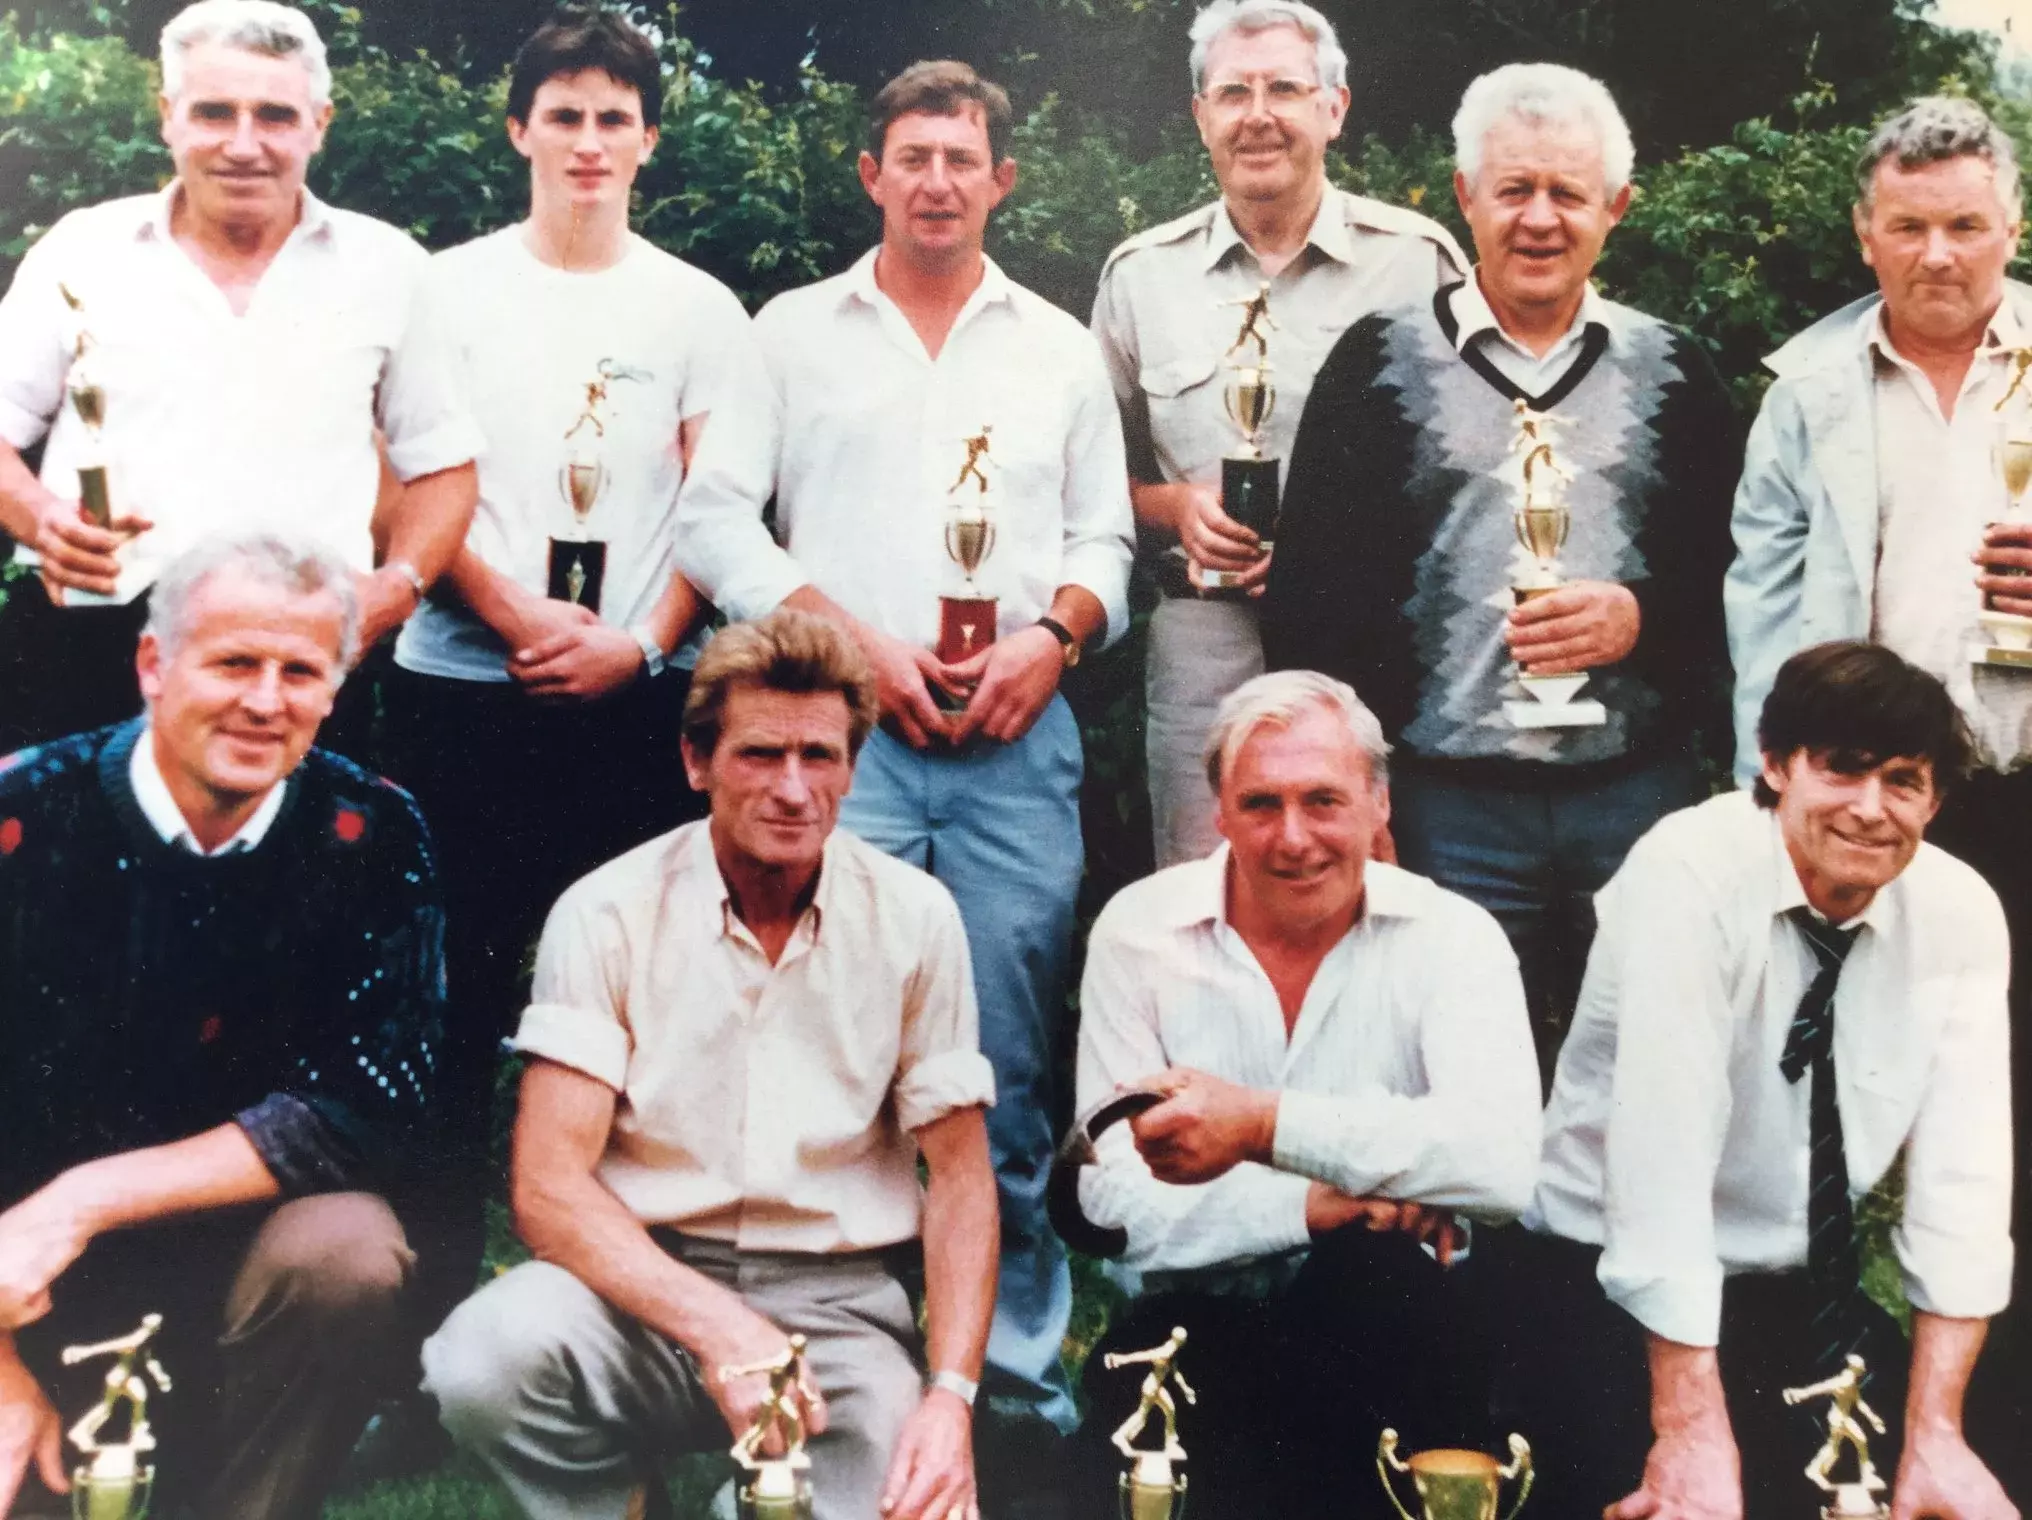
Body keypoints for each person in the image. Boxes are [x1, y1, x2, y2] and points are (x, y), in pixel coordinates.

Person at [672, 58, 1135, 1504]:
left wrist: (1052, 644)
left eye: (965, 157)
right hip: (835, 748)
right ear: (871, 175)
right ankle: (813, 1338)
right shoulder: (791, 334)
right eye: (913, 155)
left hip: (1010, 746)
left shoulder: (1057, 347)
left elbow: (1108, 546)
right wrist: (844, 642)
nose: (939, 178)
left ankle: (1016, 1370)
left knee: (994, 1061)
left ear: (1004, 181)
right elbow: (711, 519)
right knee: (812, 1043)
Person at [422, 609, 999, 1520]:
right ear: (697, 764)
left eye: (820, 757)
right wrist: (718, 1326)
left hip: (837, 1306)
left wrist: (951, 1399)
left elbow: (962, 1181)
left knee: (901, 1506)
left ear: (854, 767)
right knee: (483, 1358)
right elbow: (547, 1187)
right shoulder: (605, 911)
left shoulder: (917, 918)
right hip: (637, 1288)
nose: (793, 789)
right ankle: (614, 1501)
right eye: (760, 755)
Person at [1260, 63, 1737, 1082]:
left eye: (1567, 192)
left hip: (1632, 792)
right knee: (1459, 1073)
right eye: (1512, 188)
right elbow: (1309, 602)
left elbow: (1740, 577)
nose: (1538, 218)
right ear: (1464, 196)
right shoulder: (1376, 364)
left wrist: (1641, 616)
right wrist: (1363, 791)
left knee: (1645, 1061)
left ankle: (1624, 1247)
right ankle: (1474, 1250)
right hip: (1446, 798)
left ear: (1616, 207)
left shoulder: (1675, 369)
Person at [382, 9, 735, 1334]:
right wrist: (511, 610)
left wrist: (636, 644)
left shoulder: (695, 306)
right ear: (519, 125)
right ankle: (412, 1336)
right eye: (565, 115)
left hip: (638, 704)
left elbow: (720, 498)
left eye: (614, 118)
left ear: (649, 137)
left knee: (638, 1007)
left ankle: (637, 1317)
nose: (589, 142)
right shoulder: (441, 289)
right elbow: (402, 472)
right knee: (449, 1005)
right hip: (461, 690)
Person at [1508, 642, 2015, 1520]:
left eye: (1903, 780)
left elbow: (1963, 1194)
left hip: (1793, 1290)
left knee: (1933, 1490)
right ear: (1776, 765)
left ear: (1935, 799)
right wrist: (1689, 1432)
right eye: (1842, 770)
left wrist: (1939, 1431)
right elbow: (1659, 1172)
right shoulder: (1689, 873)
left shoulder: (1961, 911)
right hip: (1603, 1277)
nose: (1870, 809)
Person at [0, 530, 447, 1520]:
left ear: (336, 689)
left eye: (300, 670)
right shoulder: (22, 812)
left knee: (351, 1250)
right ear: (154, 665)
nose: (264, 699)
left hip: (245, 1269)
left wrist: (84, 1198)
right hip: (15, 1268)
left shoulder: (371, 832)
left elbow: (371, 1105)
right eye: (234, 660)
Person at [1725, 98, 2032, 1490]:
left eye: (1966, 223)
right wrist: (1771, 792)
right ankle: (1824, 1402)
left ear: (2010, 225)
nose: (1939, 253)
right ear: (1865, 231)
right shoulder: (1809, 388)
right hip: (1866, 810)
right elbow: (1760, 604)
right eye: (1908, 226)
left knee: (2012, 1119)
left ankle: (1991, 1429)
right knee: (1827, 1116)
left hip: (2023, 782)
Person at [1068, 670, 1540, 1519]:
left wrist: (1257, 1128)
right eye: (1261, 804)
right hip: (1194, 1321)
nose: (1293, 838)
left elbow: (1501, 1165)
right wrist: (1326, 1202)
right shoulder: (1138, 934)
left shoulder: (1454, 938)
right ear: (1218, 811)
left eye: (1323, 800)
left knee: (1377, 1291)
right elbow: (1110, 1207)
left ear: (1379, 804)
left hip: (1399, 1324)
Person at [0, 0, 481, 758]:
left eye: (276, 116)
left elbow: (445, 470)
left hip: (294, 656)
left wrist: (395, 590)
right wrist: (37, 515)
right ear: (168, 116)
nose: (244, 145)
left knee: (289, 876)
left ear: (320, 122)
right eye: (215, 112)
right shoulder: (81, 249)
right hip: (92, 639)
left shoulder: (389, 269)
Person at [1089, 0, 1466, 867]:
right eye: (1234, 93)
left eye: (1285, 89)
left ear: (1333, 108)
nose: (1258, 115)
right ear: (1200, 116)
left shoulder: (1417, 264)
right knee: (1200, 890)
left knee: (1374, 892)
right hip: (1205, 640)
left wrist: (1328, 547)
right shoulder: (1142, 277)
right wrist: (1177, 505)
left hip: (1371, 638)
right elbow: (1091, 481)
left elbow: (1475, 470)